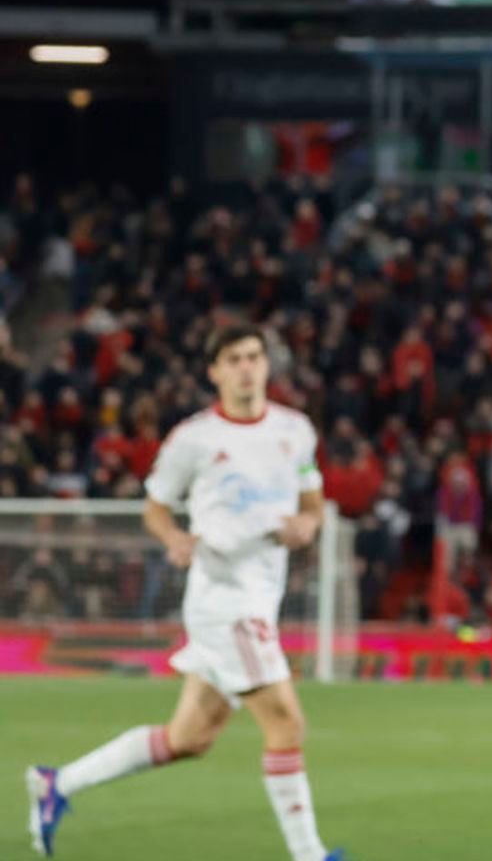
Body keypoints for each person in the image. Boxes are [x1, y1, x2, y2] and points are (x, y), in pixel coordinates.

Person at [26, 325, 343, 861]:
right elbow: (155, 506)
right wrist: (173, 537)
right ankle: (309, 856)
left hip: (261, 594)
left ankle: (57, 785)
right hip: (224, 599)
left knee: (189, 737)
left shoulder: (296, 431)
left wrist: (308, 526)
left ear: (267, 365)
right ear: (214, 371)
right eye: (234, 359)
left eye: (254, 357)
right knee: (286, 722)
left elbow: (313, 501)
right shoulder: (192, 439)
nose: (246, 368)